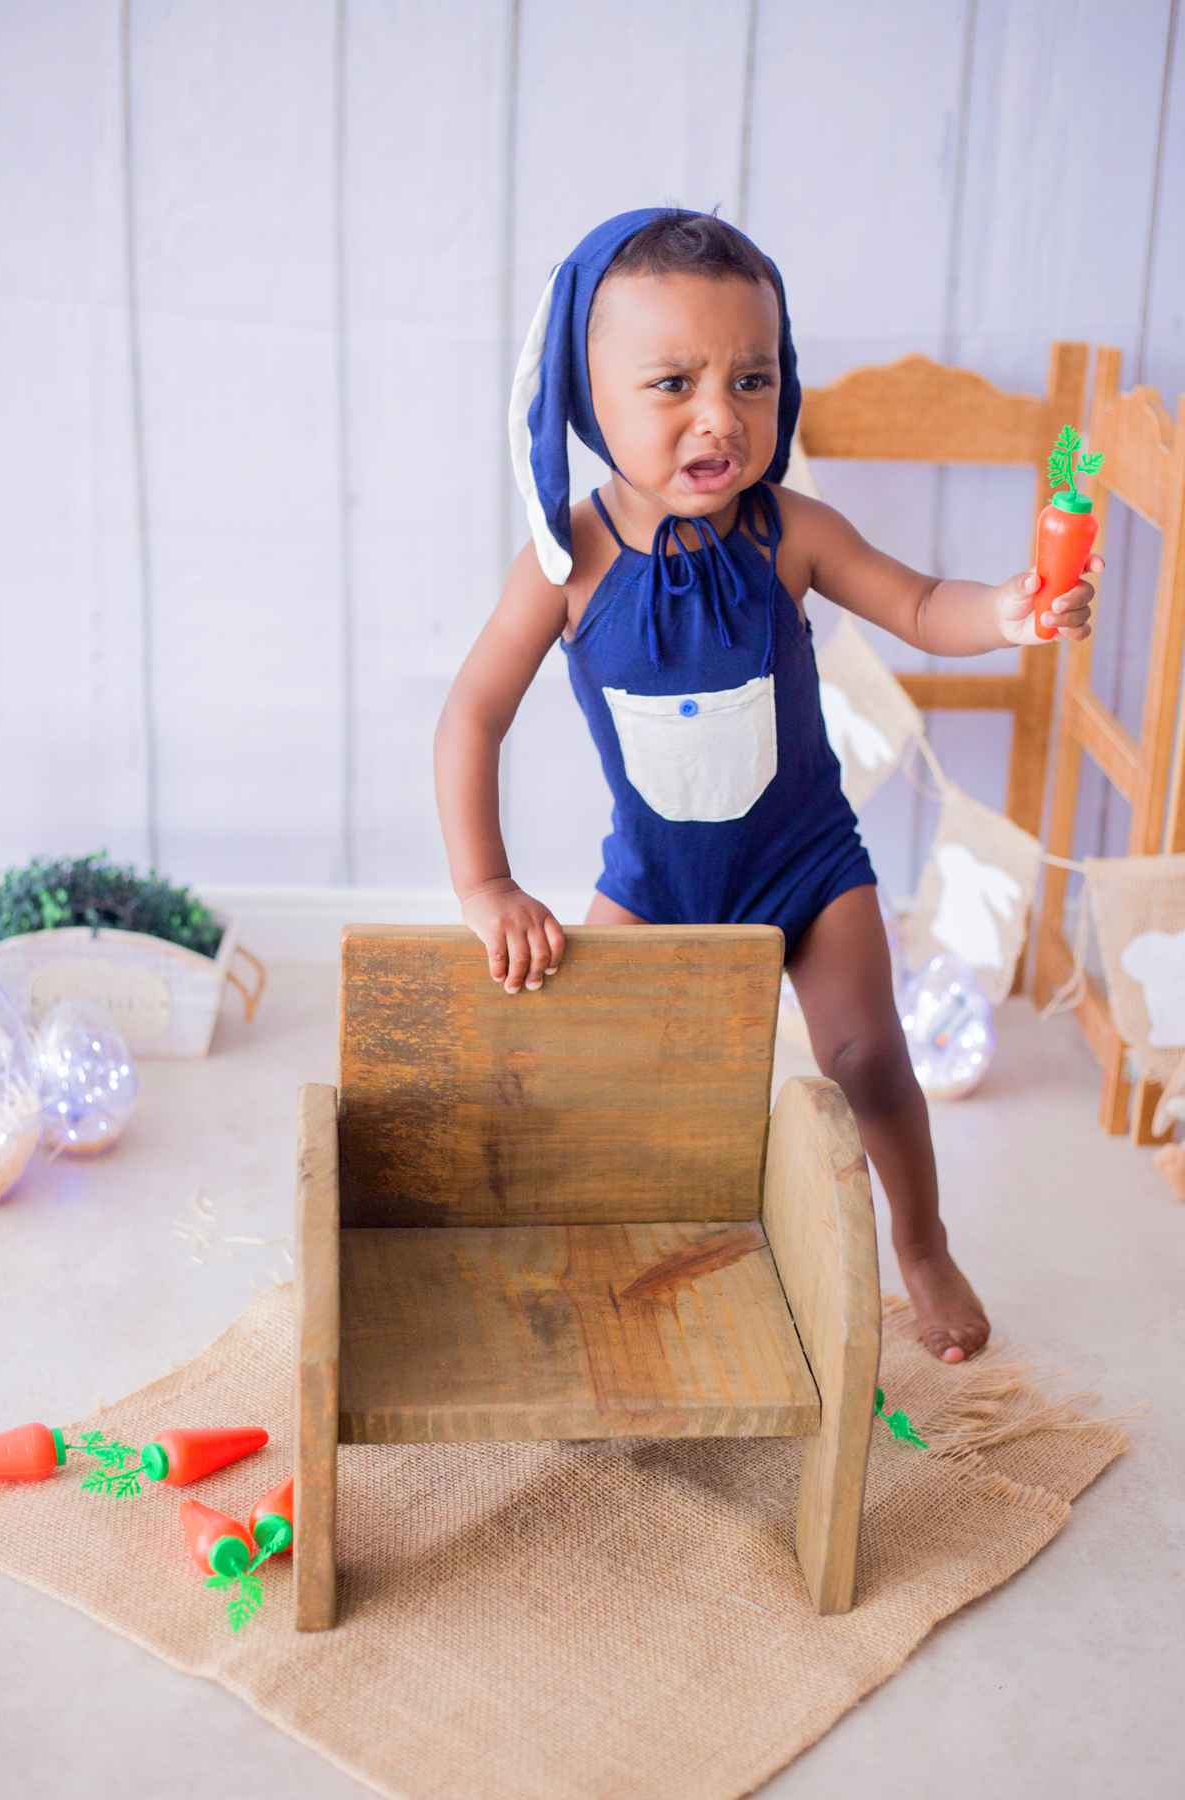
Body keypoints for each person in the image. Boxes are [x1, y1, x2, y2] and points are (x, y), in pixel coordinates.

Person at [434, 208, 1099, 1363]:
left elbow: (918, 602)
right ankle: (624, 1256)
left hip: (806, 863)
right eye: (674, 383)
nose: (719, 416)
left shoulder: (788, 531)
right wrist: (488, 883)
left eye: (752, 378)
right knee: (604, 1081)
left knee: (868, 1056)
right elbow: (471, 716)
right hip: (654, 879)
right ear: (588, 397)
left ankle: (925, 1242)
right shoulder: (567, 565)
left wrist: (1003, 610)